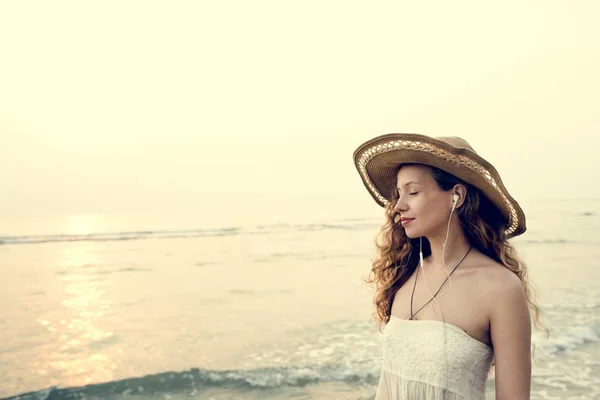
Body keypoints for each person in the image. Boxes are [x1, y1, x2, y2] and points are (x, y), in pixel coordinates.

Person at [353, 134, 544, 400]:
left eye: (413, 191)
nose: (399, 205)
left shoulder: (500, 289)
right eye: (398, 194)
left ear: (456, 195)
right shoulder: (404, 276)